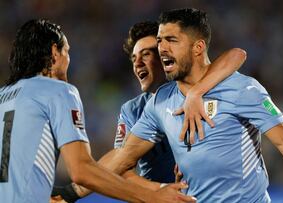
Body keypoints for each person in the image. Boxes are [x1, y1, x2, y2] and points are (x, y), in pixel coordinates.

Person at [96, 8, 283, 203]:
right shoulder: (160, 103)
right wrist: (73, 190)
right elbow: (121, 159)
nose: (162, 48)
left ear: (198, 48)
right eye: (161, 40)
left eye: (171, 40)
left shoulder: (241, 88)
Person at [0, 19, 197, 203]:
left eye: (146, 54)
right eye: (67, 52)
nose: (69, 61)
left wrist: (71, 191)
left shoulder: (3, 96)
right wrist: (153, 196)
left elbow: (122, 155)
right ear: (55, 52)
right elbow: (83, 169)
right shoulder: (58, 91)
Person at [51, 20, 247, 202]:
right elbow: (122, 162)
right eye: (134, 58)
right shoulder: (132, 110)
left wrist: (196, 92)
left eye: (146, 54)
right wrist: (162, 190)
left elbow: (236, 55)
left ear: (165, 54)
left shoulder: (194, 88)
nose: (137, 64)